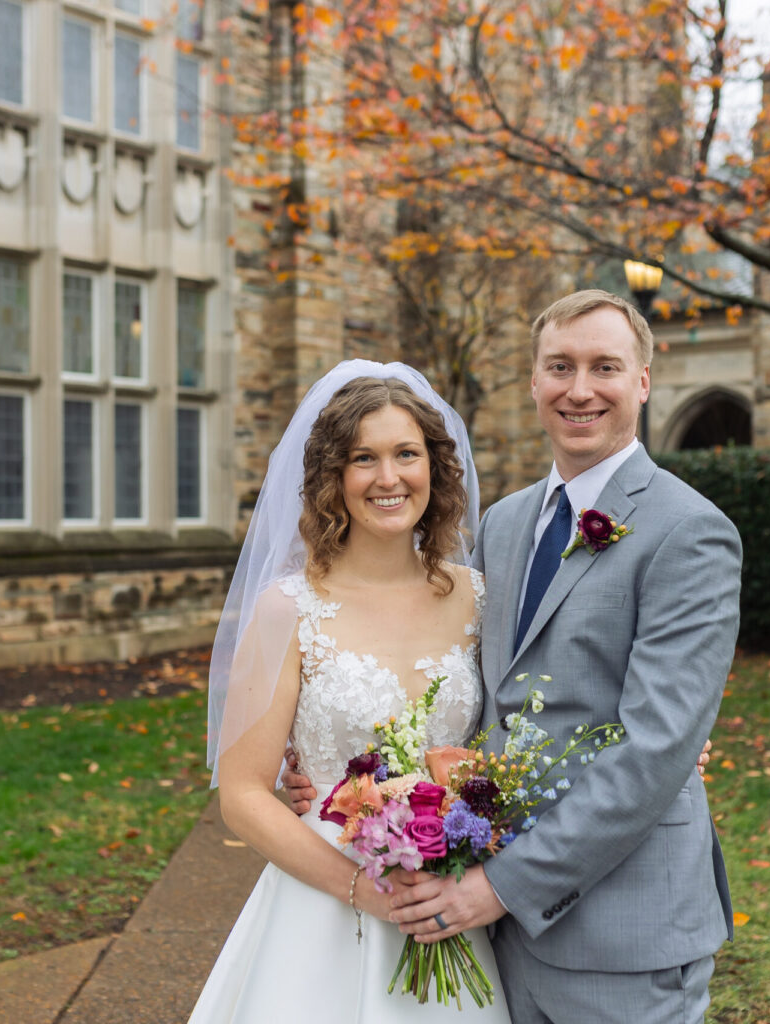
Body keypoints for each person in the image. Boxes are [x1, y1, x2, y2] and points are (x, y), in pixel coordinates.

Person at [285, 290, 739, 1024]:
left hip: (620, 929)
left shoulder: (689, 530)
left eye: (605, 367)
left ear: (643, 381)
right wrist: (347, 776)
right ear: (534, 382)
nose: (579, 388)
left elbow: (655, 746)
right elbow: (483, 701)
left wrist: (497, 888)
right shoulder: (507, 522)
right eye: (559, 366)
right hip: (493, 933)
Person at [188, 363, 511, 1022]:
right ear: (333, 477)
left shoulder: (481, 599)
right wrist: (362, 889)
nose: (388, 478)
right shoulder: (289, 609)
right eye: (364, 458)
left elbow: (528, 728)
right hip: (323, 904)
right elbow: (244, 794)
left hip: (449, 899)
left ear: (435, 468)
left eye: (406, 455)